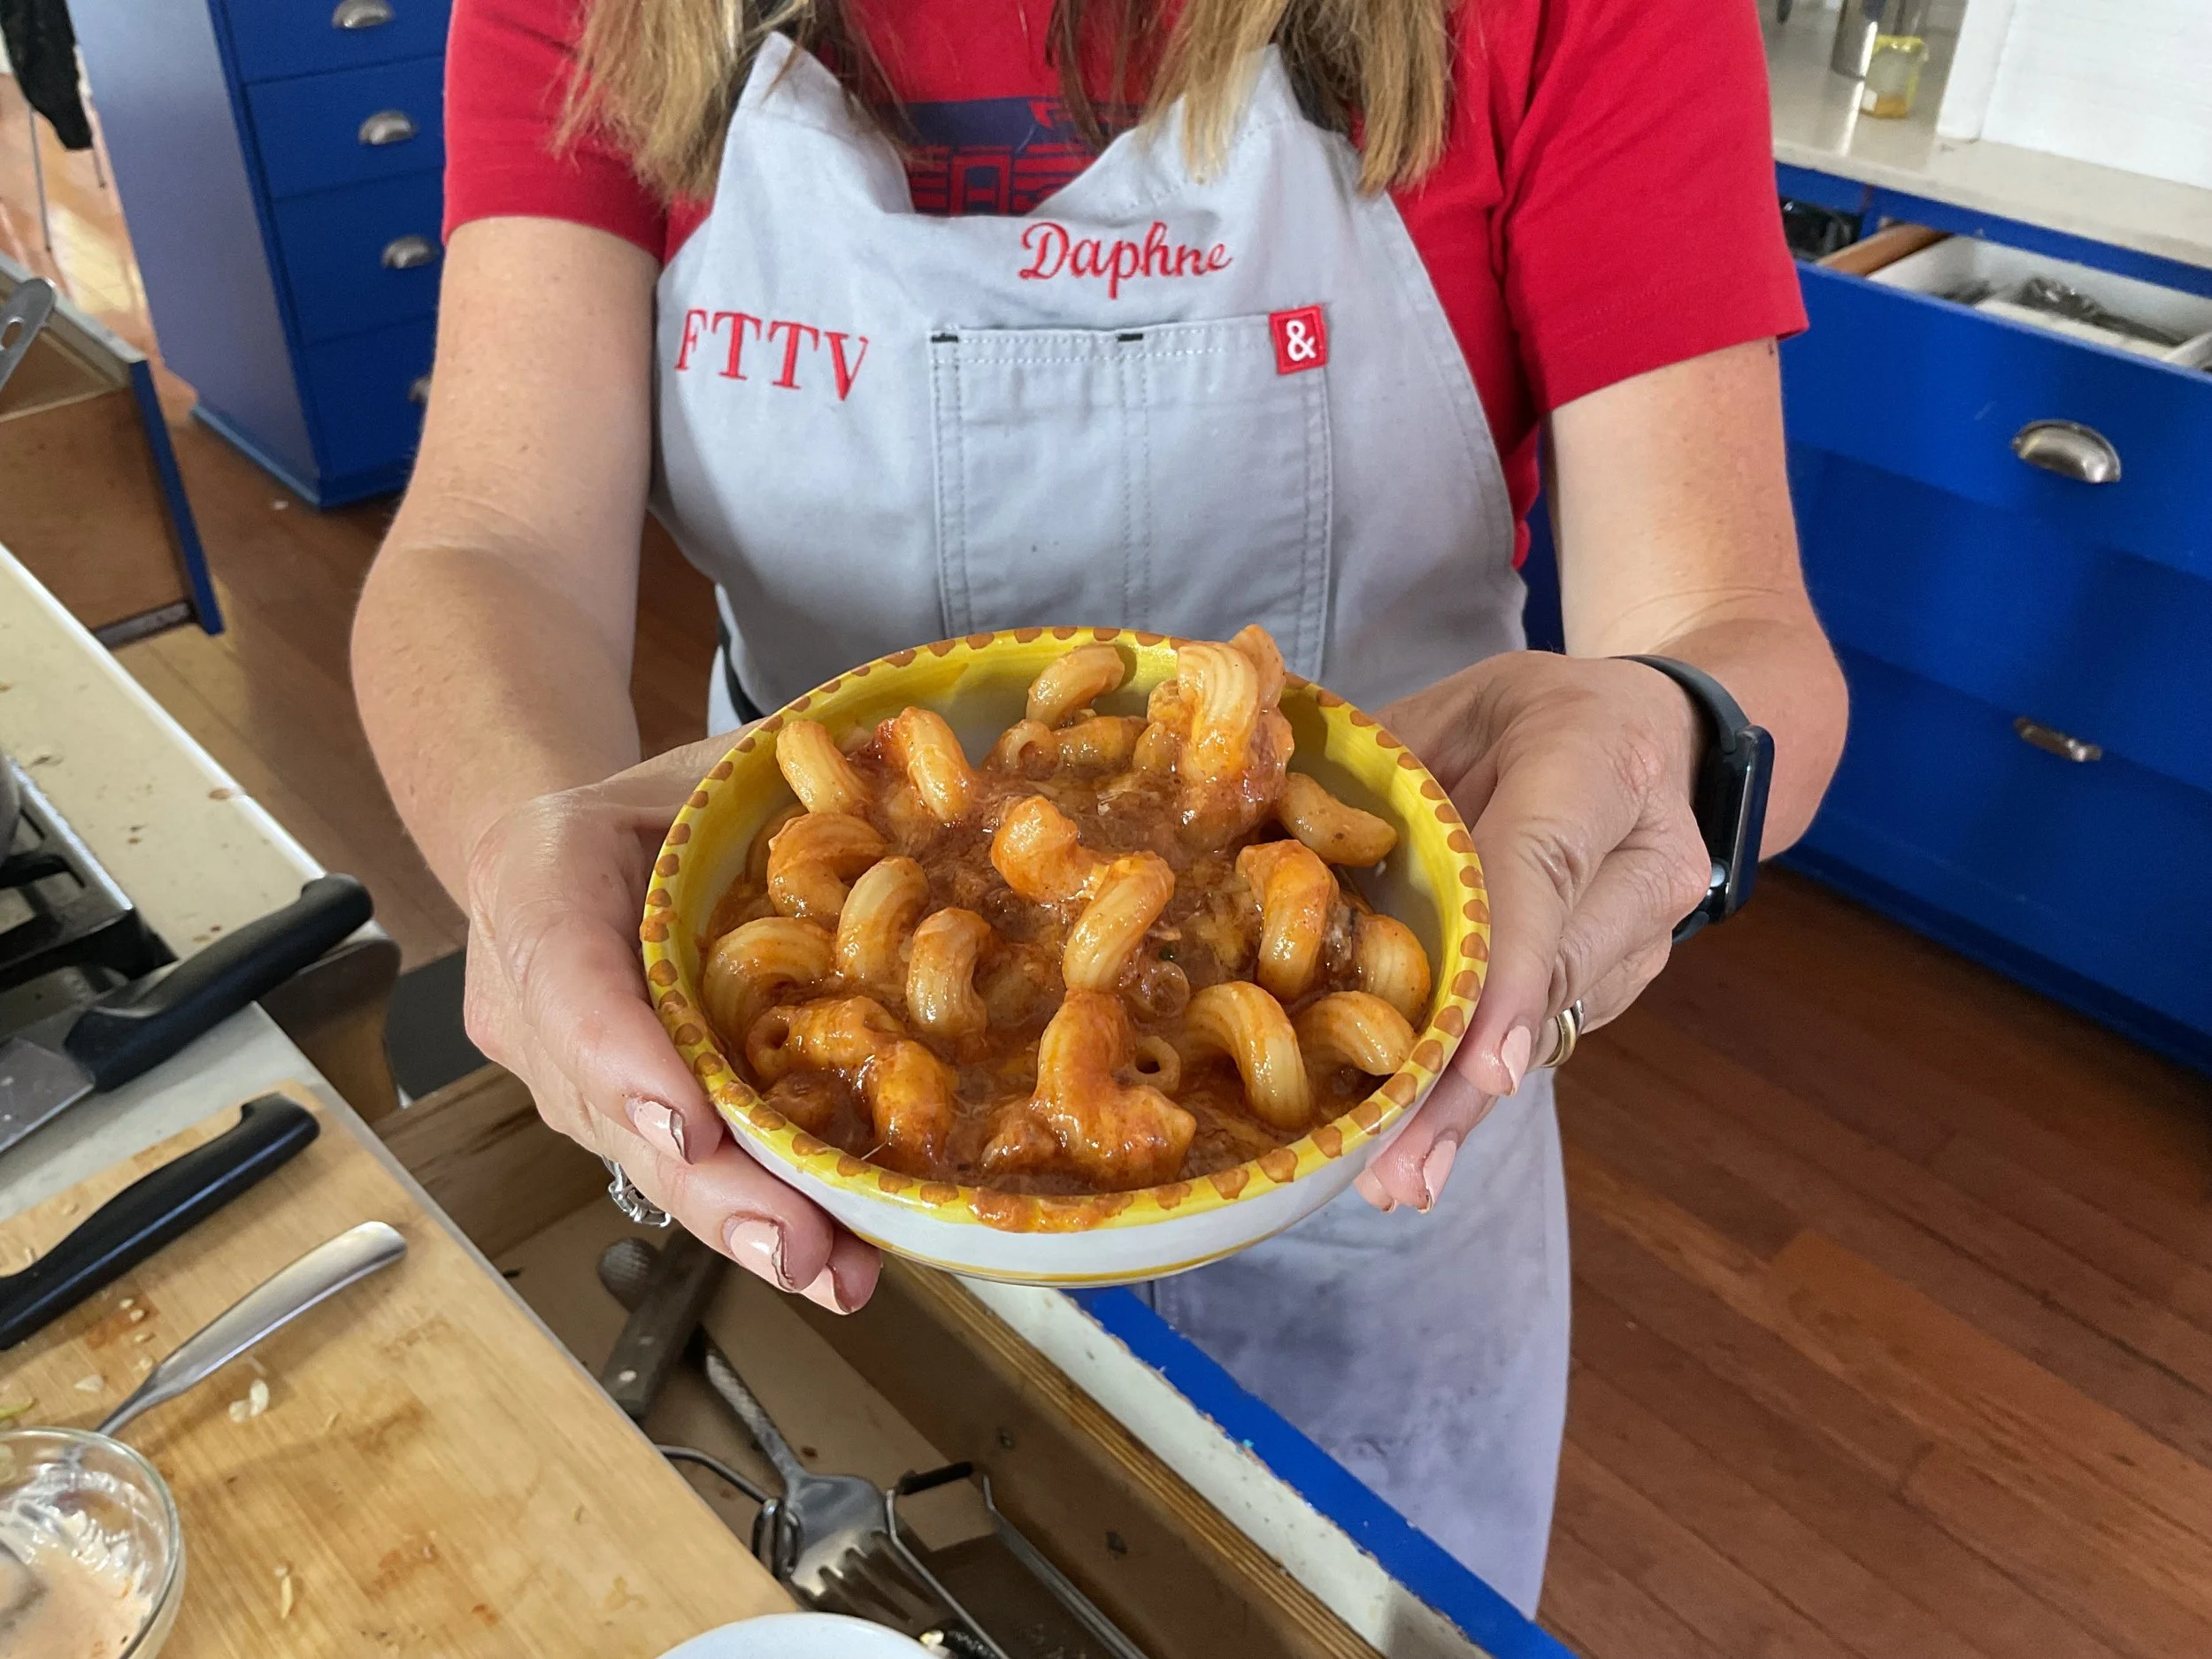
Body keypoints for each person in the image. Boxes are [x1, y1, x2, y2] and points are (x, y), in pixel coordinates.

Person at [352, 0, 1847, 1614]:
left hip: (1378, 1151)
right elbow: (486, 546)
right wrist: (525, 841)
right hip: (821, 1178)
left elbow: (1740, 637)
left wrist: (1672, 735)